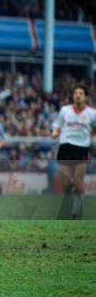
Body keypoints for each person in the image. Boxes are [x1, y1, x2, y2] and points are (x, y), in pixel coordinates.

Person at [51, 84, 96, 219]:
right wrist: (55, 132)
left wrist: (90, 135)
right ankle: (74, 192)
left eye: (81, 93)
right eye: (75, 93)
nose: (77, 95)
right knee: (64, 182)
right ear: (73, 96)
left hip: (81, 149)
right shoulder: (65, 110)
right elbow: (57, 125)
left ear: (85, 96)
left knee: (78, 180)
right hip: (65, 146)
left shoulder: (92, 113)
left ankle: (74, 212)